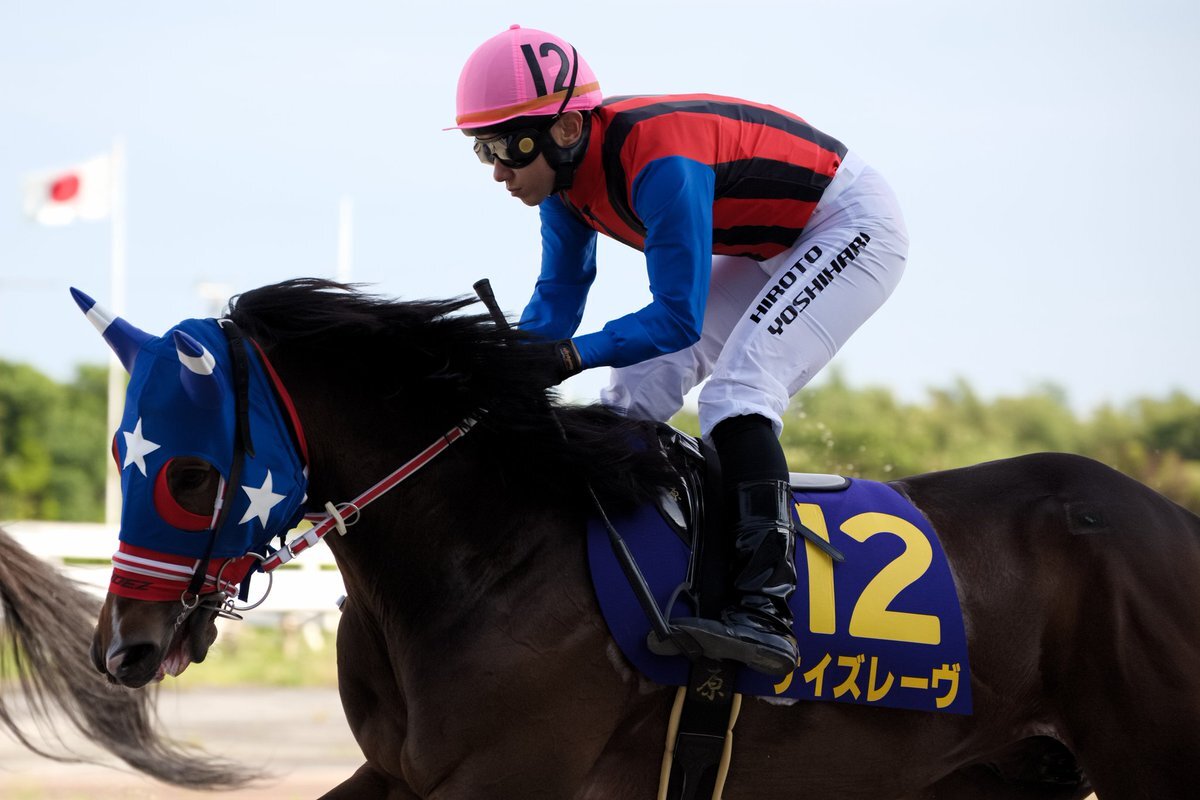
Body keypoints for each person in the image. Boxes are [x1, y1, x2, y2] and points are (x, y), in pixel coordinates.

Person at [450, 25, 909, 677]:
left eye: (508, 146)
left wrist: (568, 360)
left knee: (739, 394)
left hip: (849, 226)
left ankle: (764, 607)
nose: (498, 171)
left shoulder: (659, 162)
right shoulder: (563, 182)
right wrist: (511, 368)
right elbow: (558, 299)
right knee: (629, 397)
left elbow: (675, 319)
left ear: (568, 128)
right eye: (482, 150)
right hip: (769, 242)